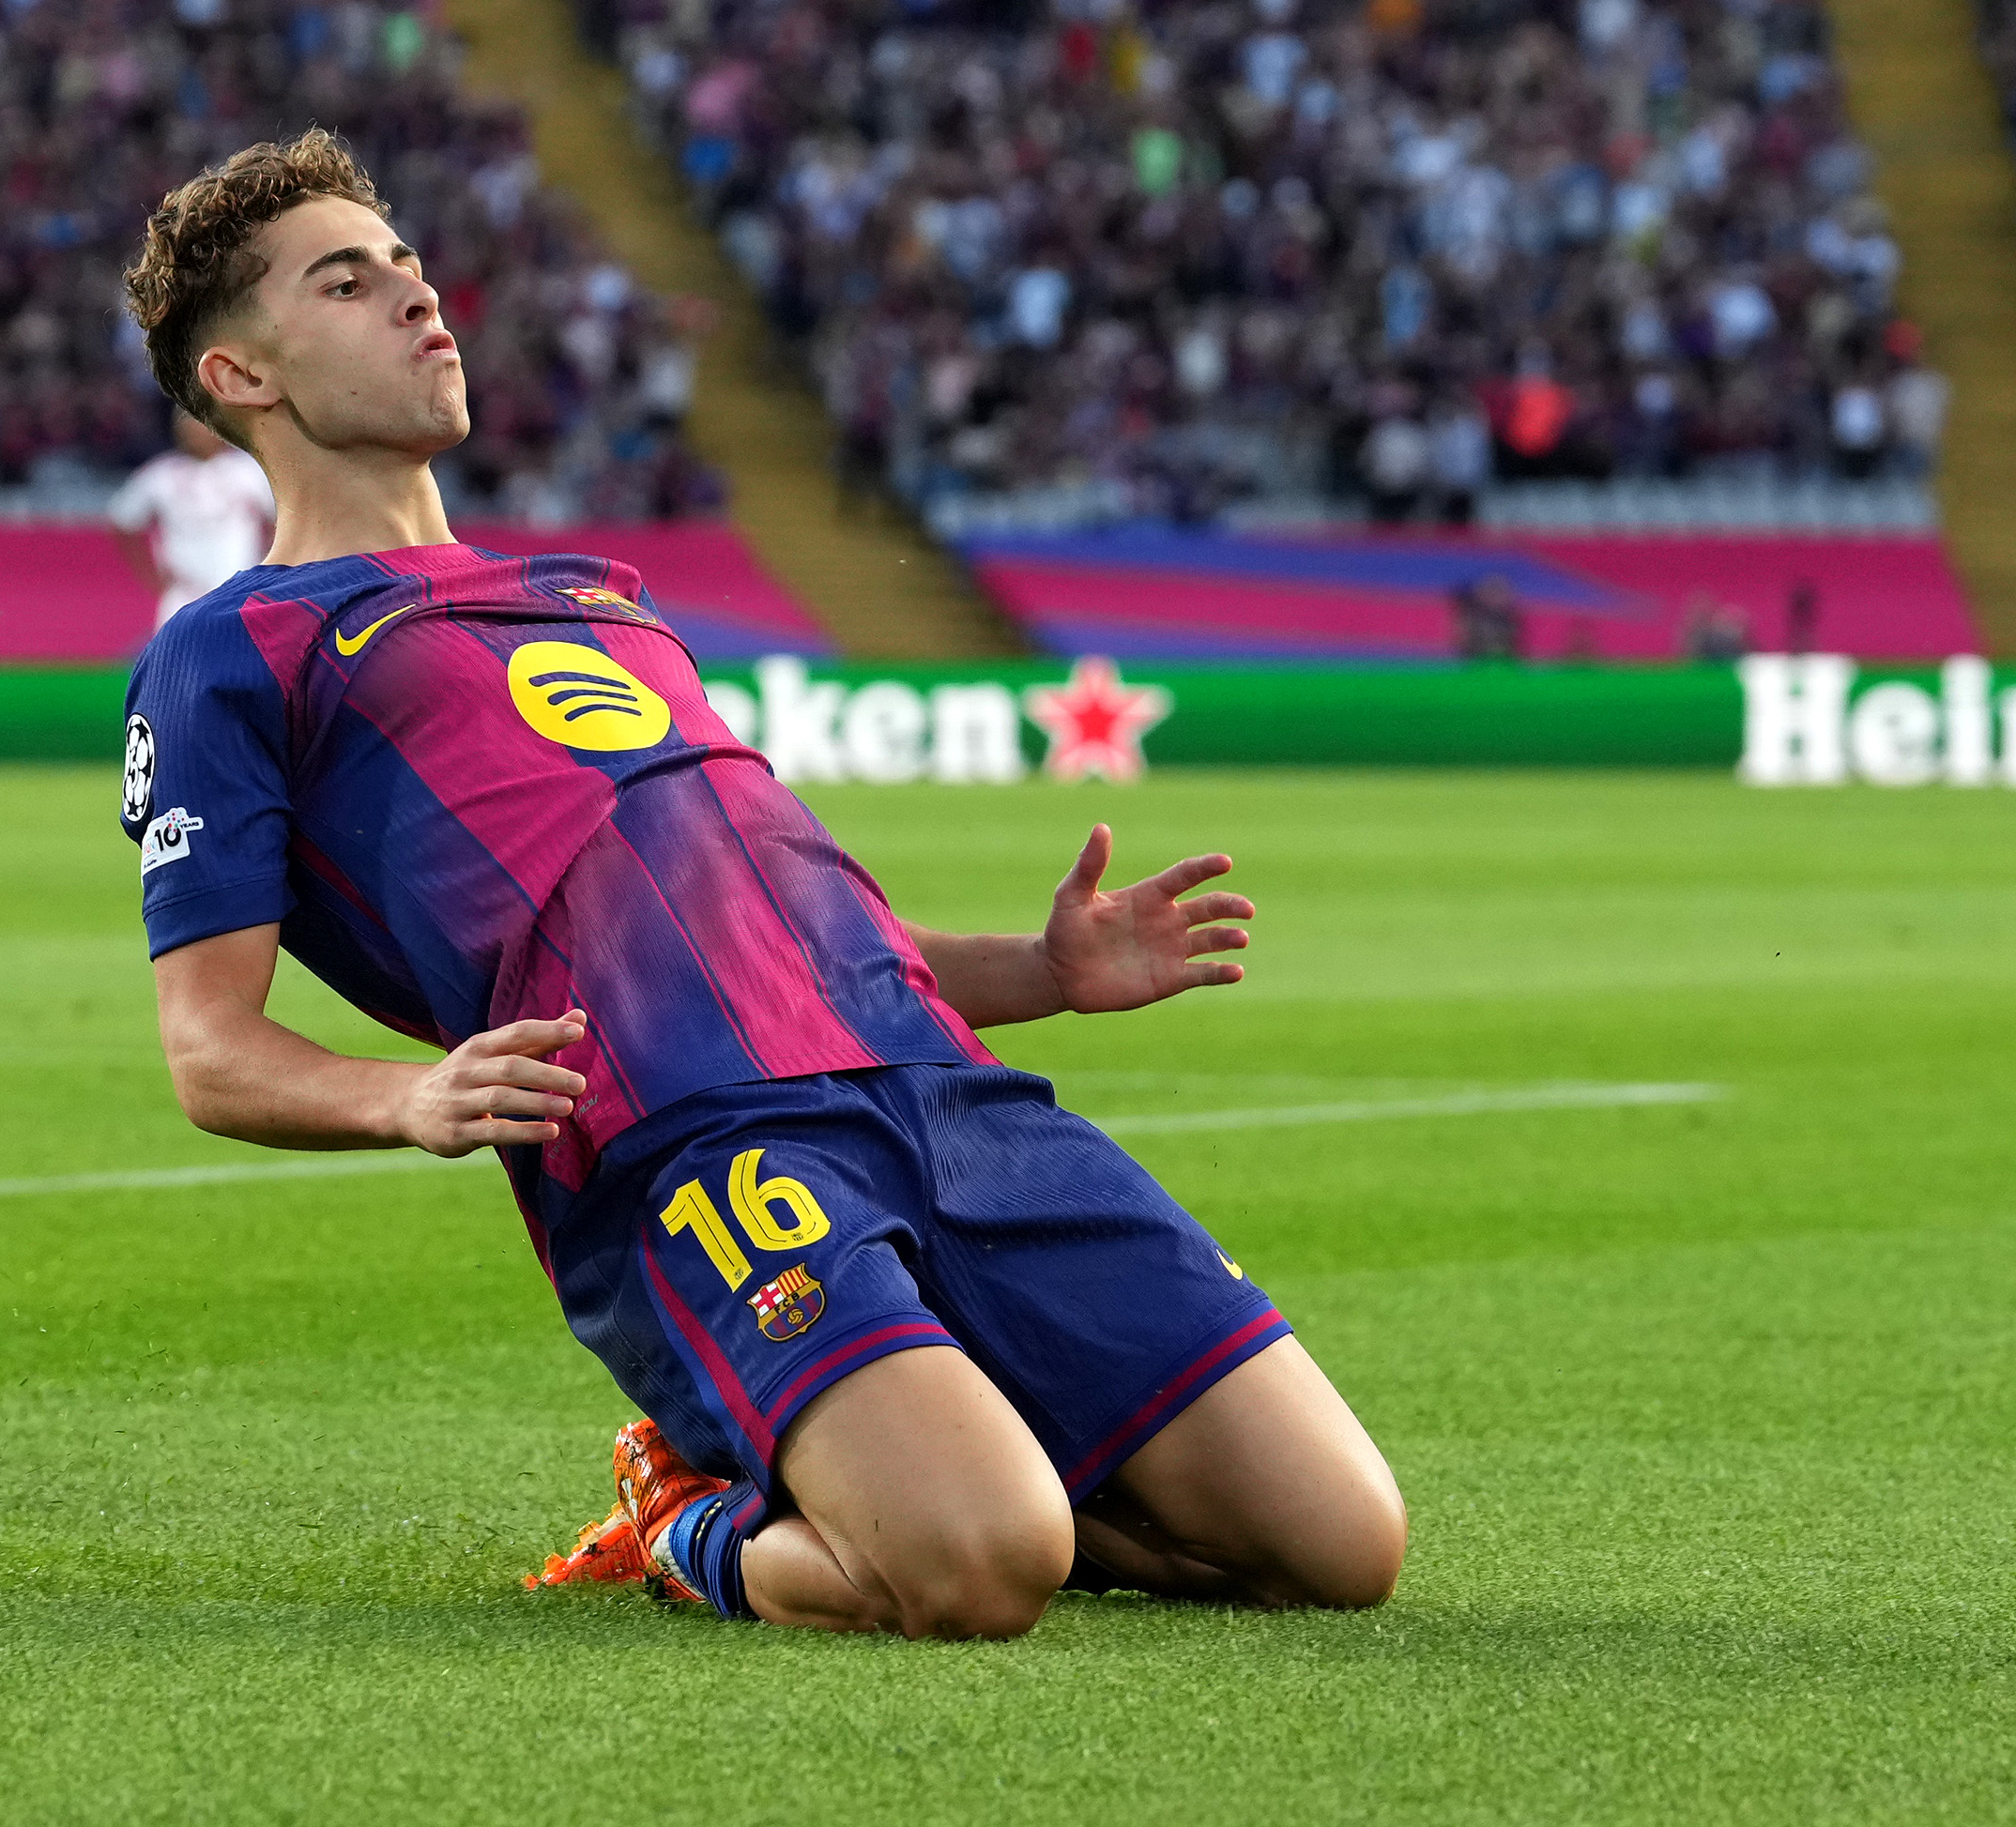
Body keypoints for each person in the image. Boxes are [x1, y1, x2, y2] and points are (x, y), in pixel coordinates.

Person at [116, 131, 1405, 1640]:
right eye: (348, 283)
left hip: (940, 1087)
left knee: (1337, 1548)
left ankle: (911, 1457)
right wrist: (402, 1099)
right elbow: (210, 1050)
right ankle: (686, 1508)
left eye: (409, 264)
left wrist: (1039, 973)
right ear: (240, 379)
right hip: (692, 1137)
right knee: (982, 1571)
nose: (419, 300)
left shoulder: (596, 597)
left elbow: (770, 926)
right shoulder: (235, 647)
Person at [108, 409, 279, 627]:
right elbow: (124, 520)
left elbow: (280, 520)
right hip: (184, 594)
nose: (194, 432)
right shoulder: (161, 474)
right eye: (187, 426)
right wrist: (153, 577)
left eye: (200, 425)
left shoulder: (249, 471)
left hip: (240, 591)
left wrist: (268, 565)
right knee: (174, 658)